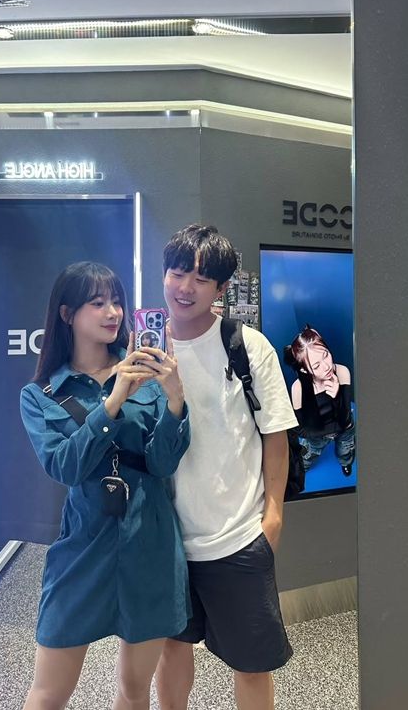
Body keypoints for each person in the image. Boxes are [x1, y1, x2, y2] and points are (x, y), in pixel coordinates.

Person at [20, 261, 191, 710]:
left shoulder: (148, 376)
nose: (113, 312)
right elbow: (64, 466)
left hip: (149, 541)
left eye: (116, 301)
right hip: (83, 544)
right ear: (67, 314)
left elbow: (162, 463)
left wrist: (175, 399)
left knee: (134, 689)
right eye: (97, 303)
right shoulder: (40, 395)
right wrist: (114, 401)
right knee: (48, 691)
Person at [155, 225, 299, 710]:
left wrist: (272, 516)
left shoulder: (247, 345)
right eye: (178, 273)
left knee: (252, 663)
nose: (185, 288)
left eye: (201, 279)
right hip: (166, 539)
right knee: (171, 648)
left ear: (221, 288)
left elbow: (276, 434)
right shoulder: (146, 348)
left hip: (236, 535)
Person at [284, 325, 355, 476]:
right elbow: (300, 428)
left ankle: (345, 462)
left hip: (343, 430)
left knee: (345, 452)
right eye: (316, 365)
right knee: (306, 459)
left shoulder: (342, 372)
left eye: (326, 355)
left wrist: (337, 396)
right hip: (315, 437)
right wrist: (323, 433)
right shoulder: (298, 388)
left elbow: (345, 419)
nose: (327, 366)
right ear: (304, 369)